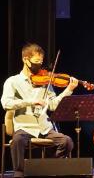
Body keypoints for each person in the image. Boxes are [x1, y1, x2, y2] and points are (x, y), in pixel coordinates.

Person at [1, 43, 78, 177]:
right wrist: (30, 101)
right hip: (24, 128)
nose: (39, 65)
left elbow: (53, 105)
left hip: (44, 128)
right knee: (17, 141)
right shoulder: (12, 81)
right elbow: (6, 103)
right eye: (36, 61)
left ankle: (48, 169)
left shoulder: (45, 82)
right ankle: (19, 173)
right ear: (25, 59)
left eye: (41, 62)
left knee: (67, 142)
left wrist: (68, 90)